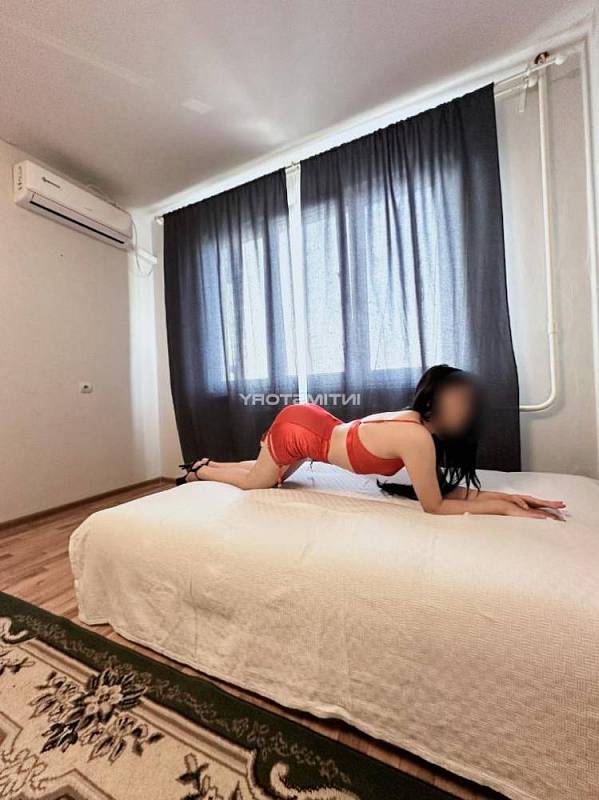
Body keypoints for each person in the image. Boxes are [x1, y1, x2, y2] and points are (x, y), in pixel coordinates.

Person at [177, 365, 564, 520]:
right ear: (435, 401)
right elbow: (434, 505)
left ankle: (206, 463)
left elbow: (437, 489)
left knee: (271, 472)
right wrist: (501, 508)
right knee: (257, 482)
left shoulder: (416, 425)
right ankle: (201, 473)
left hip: (312, 426)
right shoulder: (416, 436)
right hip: (303, 429)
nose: (467, 410)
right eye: (459, 402)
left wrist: (509, 498)